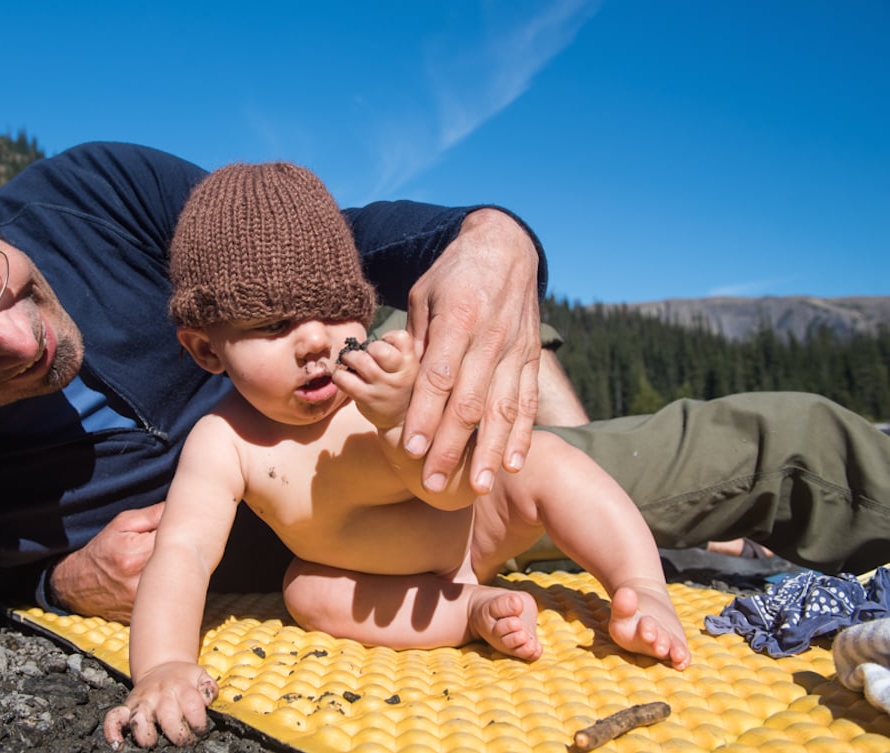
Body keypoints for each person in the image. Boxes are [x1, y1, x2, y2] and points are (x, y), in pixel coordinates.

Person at [0, 131, 887, 624]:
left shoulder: (94, 191)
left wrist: (491, 237)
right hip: (310, 565)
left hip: (414, 474)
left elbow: (308, 245)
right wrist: (62, 579)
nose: (15, 342)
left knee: (780, 438)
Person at [103, 162, 690, 748]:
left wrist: (398, 417)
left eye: (335, 310)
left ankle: (642, 586)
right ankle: (467, 612)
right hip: (374, 584)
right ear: (207, 349)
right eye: (275, 323)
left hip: (479, 524)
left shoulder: (385, 376)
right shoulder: (224, 440)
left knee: (548, 461)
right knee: (306, 592)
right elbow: (181, 551)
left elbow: (455, 488)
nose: (314, 341)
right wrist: (161, 667)